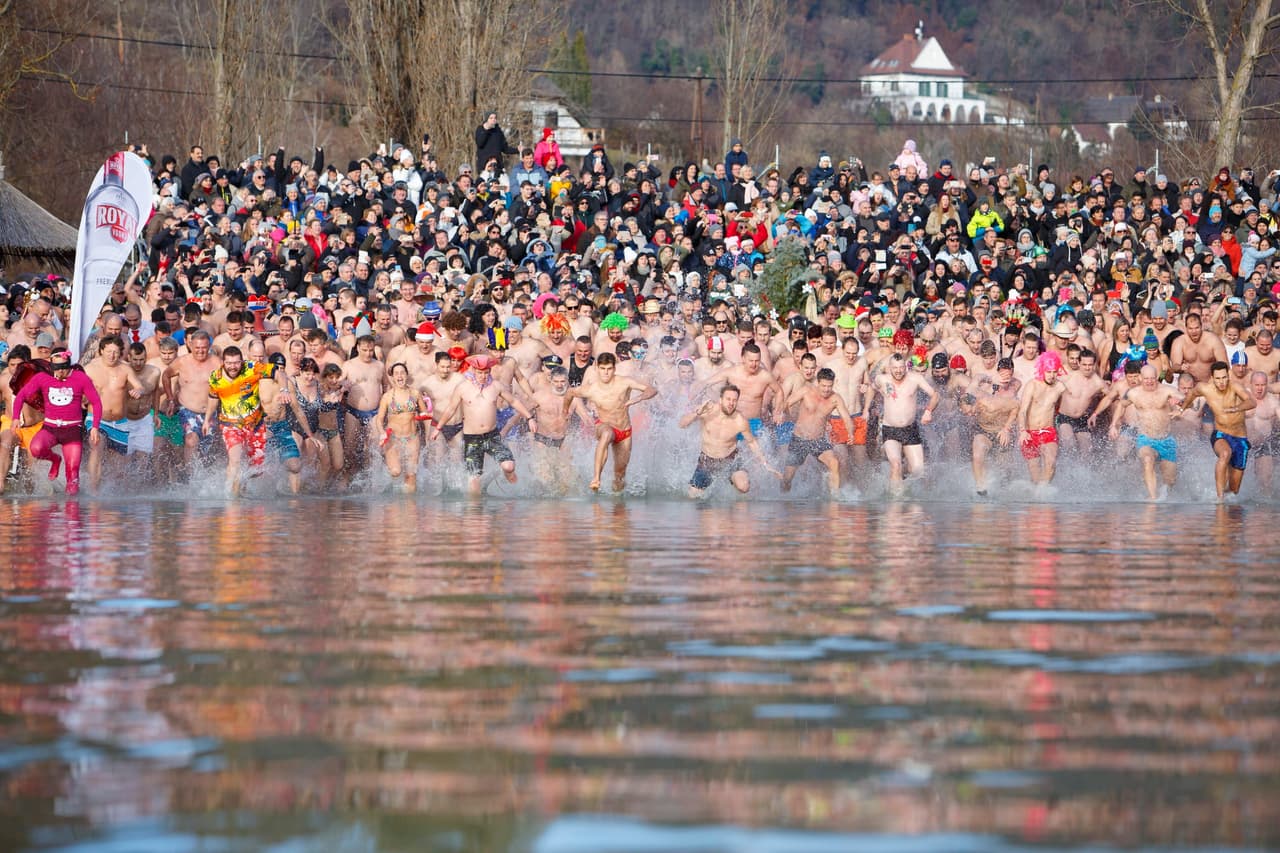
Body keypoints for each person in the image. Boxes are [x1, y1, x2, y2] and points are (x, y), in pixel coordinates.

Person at [431, 353, 535, 496]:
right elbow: (450, 409)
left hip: (492, 436)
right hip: (472, 438)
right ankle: (476, 513)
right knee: (474, 484)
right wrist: (438, 428)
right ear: (474, 371)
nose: (483, 376)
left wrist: (529, 417)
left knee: (509, 466)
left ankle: (515, 487)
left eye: (486, 373)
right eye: (480, 373)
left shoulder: (496, 386)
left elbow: (514, 402)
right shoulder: (463, 387)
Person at [10, 349, 103, 496]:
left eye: (64, 367)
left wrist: (95, 427)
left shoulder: (81, 378)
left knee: (73, 475)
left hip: (72, 430)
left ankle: (72, 513)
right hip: (50, 428)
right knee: (36, 449)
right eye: (57, 368)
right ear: (51, 366)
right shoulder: (42, 378)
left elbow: (96, 402)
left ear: (69, 365)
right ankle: (55, 459)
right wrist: (15, 417)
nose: (61, 372)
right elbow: (21, 396)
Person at [566, 351, 658, 492]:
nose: (606, 373)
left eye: (609, 369)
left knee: (620, 474)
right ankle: (596, 478)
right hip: (603, 426)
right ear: (597, 368)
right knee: (607, 434)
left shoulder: (624, 382)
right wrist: (564, 411)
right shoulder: (591, 389)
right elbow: (570, 393)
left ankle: (617, 503)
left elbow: (652, 390)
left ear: (614, 369)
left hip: (624, 431)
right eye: (602, 369)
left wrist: (638, 398)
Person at [202, 346, 278, 496]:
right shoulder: (216, 377)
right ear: (223, 362)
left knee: (256, 470)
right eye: (229, 363)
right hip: (230, 424)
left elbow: (278, 373)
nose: (233, 366)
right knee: (235, 460)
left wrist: (284, 390)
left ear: (242, 361)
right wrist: (206, 420)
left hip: (255, 425)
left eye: (236, 363)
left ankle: (241, 488)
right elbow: (213, 399)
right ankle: (231, 495)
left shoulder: (252, 368)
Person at [680, 383, 779, 498]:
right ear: (721, 400)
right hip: (707, 461)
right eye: (728, 399)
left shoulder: (740, 420)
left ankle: (738, 494)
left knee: (744, 486)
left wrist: (765, 464)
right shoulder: (707, 411)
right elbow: (682, 424)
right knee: (692, 497)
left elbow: (752, 442)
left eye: (734, 400)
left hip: (730, 459)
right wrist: (696, 414)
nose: (731, 403)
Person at [1179, 360, 1256, 500]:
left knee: (1234, 490)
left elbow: (1252, 402)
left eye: (1224, 377)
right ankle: (1219, 498)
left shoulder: (1235, 387)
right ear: (1212, 378)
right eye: (1218, 378)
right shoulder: (1205, 388)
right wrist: (1181, 409)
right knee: (1225, 454)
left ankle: (1223, 496)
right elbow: (1192, 394)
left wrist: (1237, 408)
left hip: (1240, 438)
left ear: (1228, 376)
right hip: (1221, 434)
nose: (1222, 382)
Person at [1108, 364, 1183, 500]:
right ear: (1141, 378)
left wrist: (1180, 407)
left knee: (1170, 481)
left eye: (1152, 378)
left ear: (1156, 378)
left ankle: (1163, 496)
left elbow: (1184, 398)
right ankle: (1152, 498)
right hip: (1146, 438)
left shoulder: (1166, 390)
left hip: (1166, 440)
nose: (1149, 381)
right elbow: (1121, 405)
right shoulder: (1133, 393)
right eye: (1146, 378)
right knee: (1148, 459)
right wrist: (1113, 425)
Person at [867, 352, 940, 490]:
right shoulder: (882, 379)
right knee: (895, 464)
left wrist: (928, 411)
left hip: (910, 429)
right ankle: (896, 501)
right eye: (895, 368)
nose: (898, 371)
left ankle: (904, 483)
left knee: (918, 472)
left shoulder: (915, 378)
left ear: (906, 367)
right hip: (890, 430)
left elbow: (935, 395)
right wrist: (867, 409)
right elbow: (872, 388)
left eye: (901, 367)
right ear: (889, 368)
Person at [782, 367, 855, 495]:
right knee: (788, 477)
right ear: (818, 382)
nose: (826, 389)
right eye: (823, 386)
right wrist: (781, 414)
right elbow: (787, 403)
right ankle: (782, 497)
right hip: (799, 439)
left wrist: (851, 433)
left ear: (833, 383)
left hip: (818, 440)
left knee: (834, 463)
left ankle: (835, 498)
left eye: (829, 386)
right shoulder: (806, 391)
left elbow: (847, 418)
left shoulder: (835, 399)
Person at [372, 362, 432, 493]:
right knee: (395, 471)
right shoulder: (387, 397)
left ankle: (409, 506)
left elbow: (425, 415)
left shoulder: (415, 394)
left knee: (411, 474)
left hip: (412, 438)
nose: (399, 376)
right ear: (392, 377)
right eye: (396, 373)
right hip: (393, 439)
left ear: (407, 375)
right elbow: (379, 419)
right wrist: (382, 432)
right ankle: (391, 488)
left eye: (402, 373)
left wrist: (428, 434)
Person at [1018, 351, 1068, 486]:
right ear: (1042, 370)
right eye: (1048, 372)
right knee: (1035, 475)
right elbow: (1022, 411)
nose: (1052, 376)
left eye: (1054, 372)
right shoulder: (1032, 385)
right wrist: (1023, 431)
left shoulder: (1060, 387)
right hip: (1030, 433)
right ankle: (1038, 498)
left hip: (1048, 431)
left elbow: (1058, 407)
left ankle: (1044, 491)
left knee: (1051, 463)